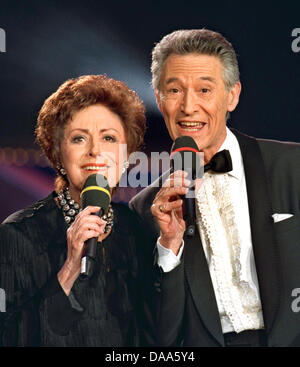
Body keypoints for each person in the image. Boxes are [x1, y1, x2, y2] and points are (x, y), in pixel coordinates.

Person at [129, 29, 300, 347]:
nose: (188, 106)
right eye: (174, 91)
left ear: (232, 95)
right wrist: (169, 246)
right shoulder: (144, 208)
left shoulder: (292, 166)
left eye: (204, 89)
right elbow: (159, 337)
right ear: (158, 98)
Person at [0, 75, 149, 346]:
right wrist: (69, 268)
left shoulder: (137, 230)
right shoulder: (17, 234)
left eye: (109, 138)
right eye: (79, 138)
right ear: (58, 153)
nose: (95, 151)